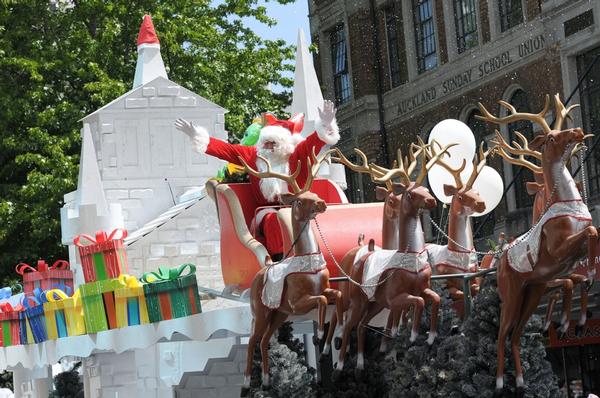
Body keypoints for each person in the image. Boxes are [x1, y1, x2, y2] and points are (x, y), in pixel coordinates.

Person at [175, 100, 339, 260]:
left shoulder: (297, 156)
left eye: (272, 144)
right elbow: (227, 150)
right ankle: (279, 259)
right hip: (268, 211)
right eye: (265, 143)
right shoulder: (254, 156)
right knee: (273, 220)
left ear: (283, 144)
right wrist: (197, 135)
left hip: (302, 208)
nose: (267, 148)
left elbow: (313, 142)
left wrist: (325, 125)